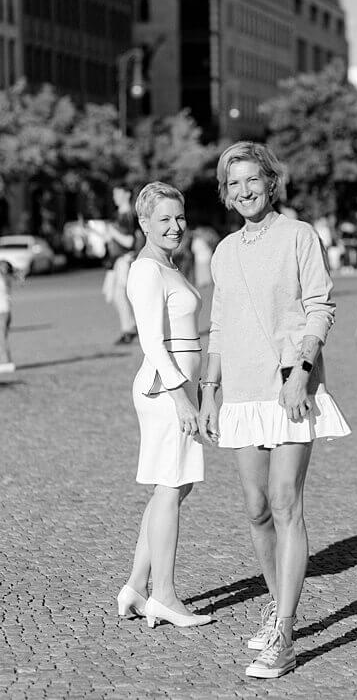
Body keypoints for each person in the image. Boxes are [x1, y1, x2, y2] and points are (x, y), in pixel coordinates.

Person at [198, 141, 350, 678]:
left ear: (271, 181)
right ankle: (275, 604)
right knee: (257, 508)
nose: (244, 191)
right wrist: (209, 390)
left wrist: (303, 373)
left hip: (290, 384)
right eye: (233, 183)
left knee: (287, 502)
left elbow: (320, 307)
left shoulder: (300, 236)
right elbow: (218, 324)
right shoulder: (222, 251)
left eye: (251, 180)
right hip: (239, 392)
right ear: (225, 192)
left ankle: (285, 634)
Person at [116, 182, 211, 629]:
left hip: (175, 387)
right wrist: (181, 399)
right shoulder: (146, 270)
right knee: (171, 487)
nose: (175, 226)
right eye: (164, 220)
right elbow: (152, 341)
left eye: (180, 217)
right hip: (164, 390)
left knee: (172, 487)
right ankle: (165, 595)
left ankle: (136, 586)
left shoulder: (167, 264)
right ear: (144, 224)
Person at [103, 185, 140, 345]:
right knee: (111, 294)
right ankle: (130, 327)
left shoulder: (128, 215)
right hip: (115, 261)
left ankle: (129, 328)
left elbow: (129, 241)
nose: (114, 197)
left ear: (126, 194)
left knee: (119, 294)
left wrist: (112, 232)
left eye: (117, 193)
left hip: (124, 260)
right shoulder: (119, 215)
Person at [0, 261, 16, 374]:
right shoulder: (7, 279)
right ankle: (5, 361)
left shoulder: (4, 280)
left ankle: (6, 363)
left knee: (1, 338)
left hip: (3, 311)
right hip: (6, 311)